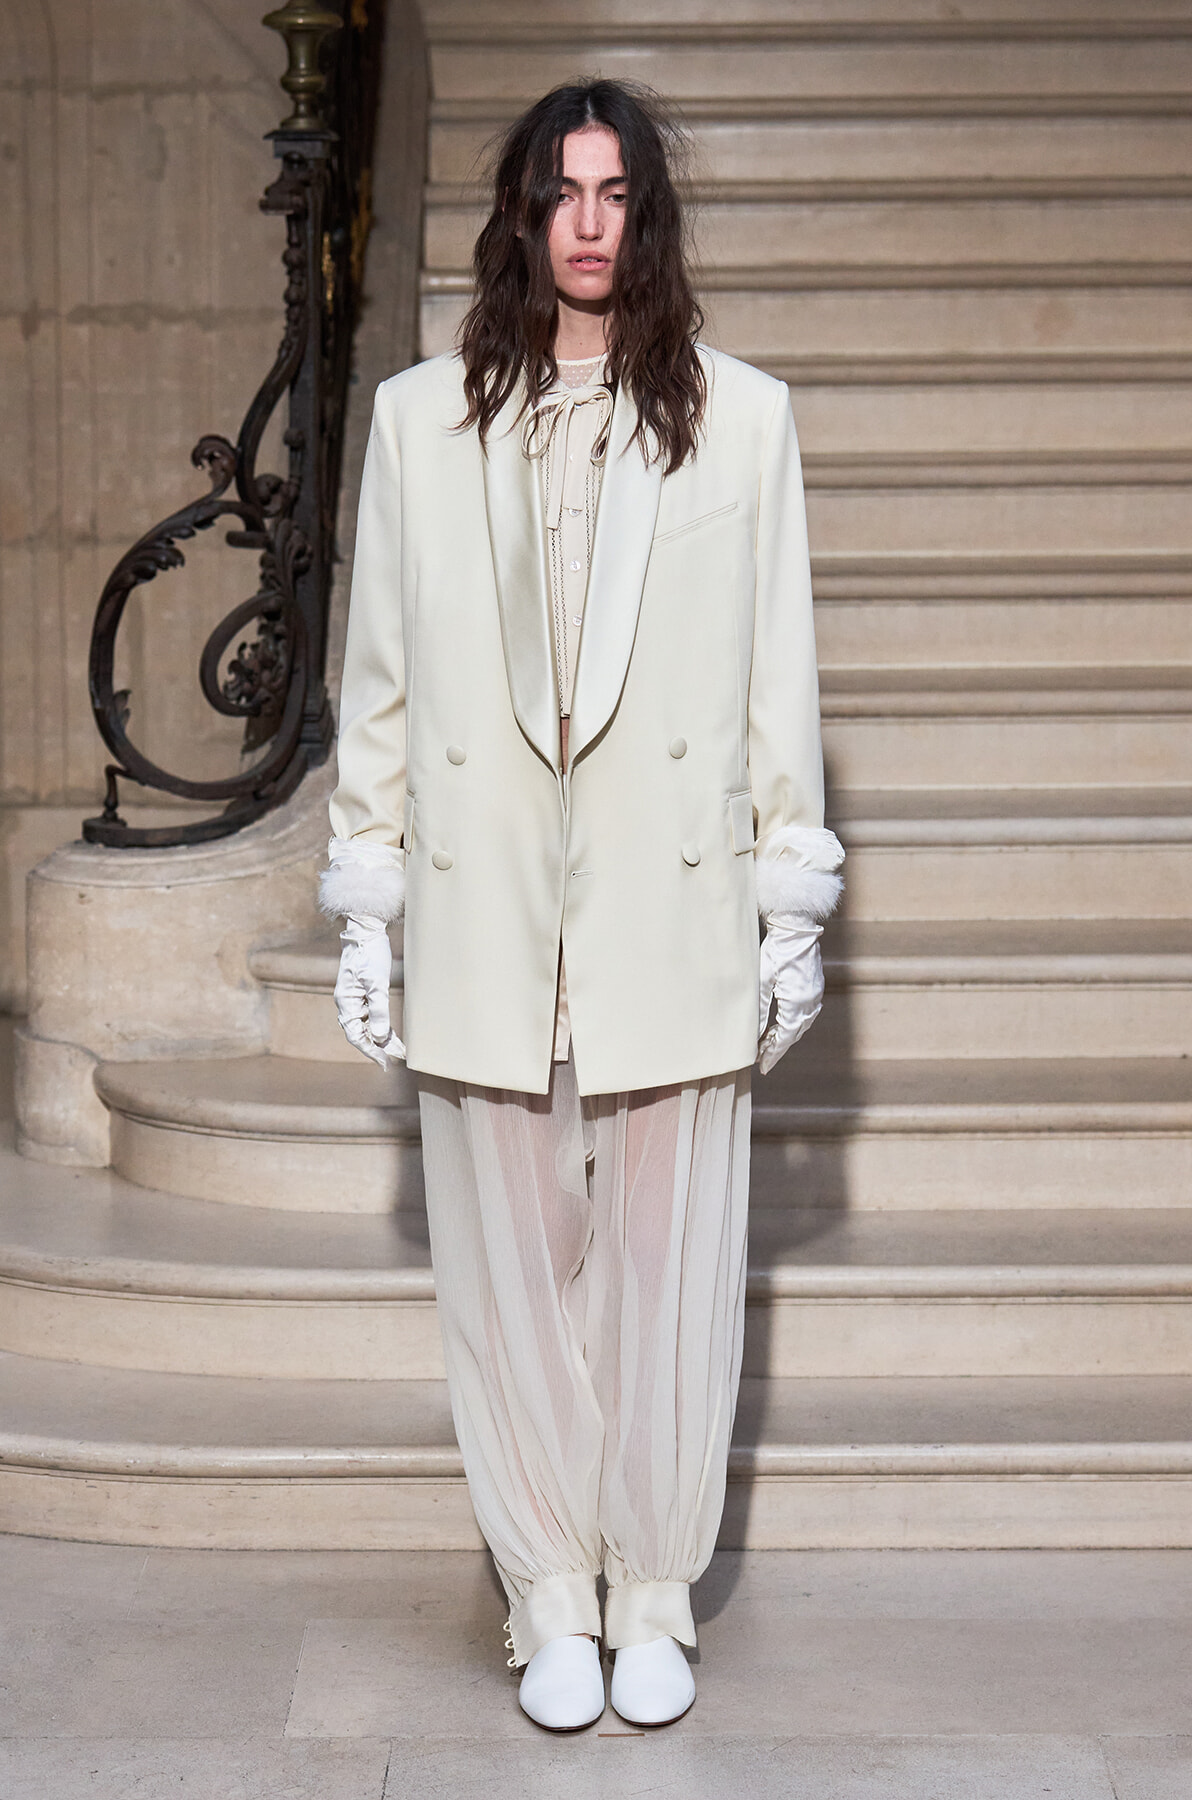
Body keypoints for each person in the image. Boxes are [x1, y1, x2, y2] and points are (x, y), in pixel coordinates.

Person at [319, 78, 843, 1732]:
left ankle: (654, 1585)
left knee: (669, 1267)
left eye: (617, 193)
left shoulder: (742, 420)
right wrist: (366, 894)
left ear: (649, 216)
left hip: (667, 907)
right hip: (490, 905)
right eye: (564, 192)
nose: (591, 222)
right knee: (510, 1274)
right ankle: (550, 1586)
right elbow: (379, 683)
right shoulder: (419, 421)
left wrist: (790, 893)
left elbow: (775, 675)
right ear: (525, 215)